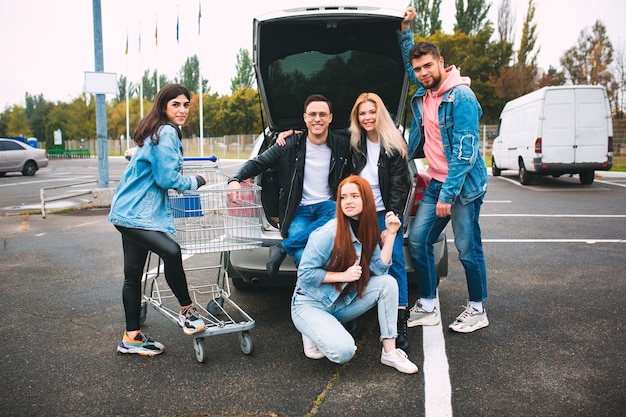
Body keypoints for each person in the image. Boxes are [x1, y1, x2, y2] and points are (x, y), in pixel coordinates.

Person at [398, 8, 490, 333]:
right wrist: (405, 31)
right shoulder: (425, 93)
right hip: (438, 180)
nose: (422, 73)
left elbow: (465, 157)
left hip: (462, 187)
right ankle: (428, 304)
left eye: (428, 66)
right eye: (417, 68)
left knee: (468, 248)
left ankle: (478, 309)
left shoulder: (460, 97)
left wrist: (446, 197)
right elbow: (410, 66)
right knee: (418, 240)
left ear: (442, 63)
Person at [108, 83, 207, 356]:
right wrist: (195, 181)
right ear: (164, 105)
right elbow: (166, 179)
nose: (182, 110)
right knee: (171, 251)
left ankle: (131, 337)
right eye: (176, 104)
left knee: (133, 276)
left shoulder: (155, 129)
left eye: (186, 105)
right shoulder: (166, 131)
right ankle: (186, 309)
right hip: (135, 214)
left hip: (127, 210)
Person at [291, 175, 418, 374]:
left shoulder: (367, 228)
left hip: (340, 303)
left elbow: (379, 269)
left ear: (366, 200)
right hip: (310, 303)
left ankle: (390, 352)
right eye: (343, 197)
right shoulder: (328, 233)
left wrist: (391, 235)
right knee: (344, 352)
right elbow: (305, 273)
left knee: (388, 283)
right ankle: (312, 329)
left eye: (354, 196)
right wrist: (343, 276)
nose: (348, 202)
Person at [227, 94, 351, 277]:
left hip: (328, 208)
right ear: (305, 117)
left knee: (339, 215)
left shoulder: (342, 143)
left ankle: (283, 246)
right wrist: (234, 179)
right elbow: (258, 163)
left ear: (330, 118)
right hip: (297, 210)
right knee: (302, 254)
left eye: (323, 114)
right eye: (313, 114)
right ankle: (309, 299)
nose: (317, 119)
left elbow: (368, 136)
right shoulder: (288, 145)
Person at [348, 92, 412, 350]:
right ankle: (354, 314)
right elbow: (319, 133)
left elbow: (401, 185)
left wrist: (393, 217)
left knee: (393, 262)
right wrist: (289, 132)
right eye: (362, 113)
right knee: (357, 259)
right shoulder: (352, 143)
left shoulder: (394, 144)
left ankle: (399, 321)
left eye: (371, 112)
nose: (367, 118)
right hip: (358, 213)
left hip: (385, 212)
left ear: (380, 114)